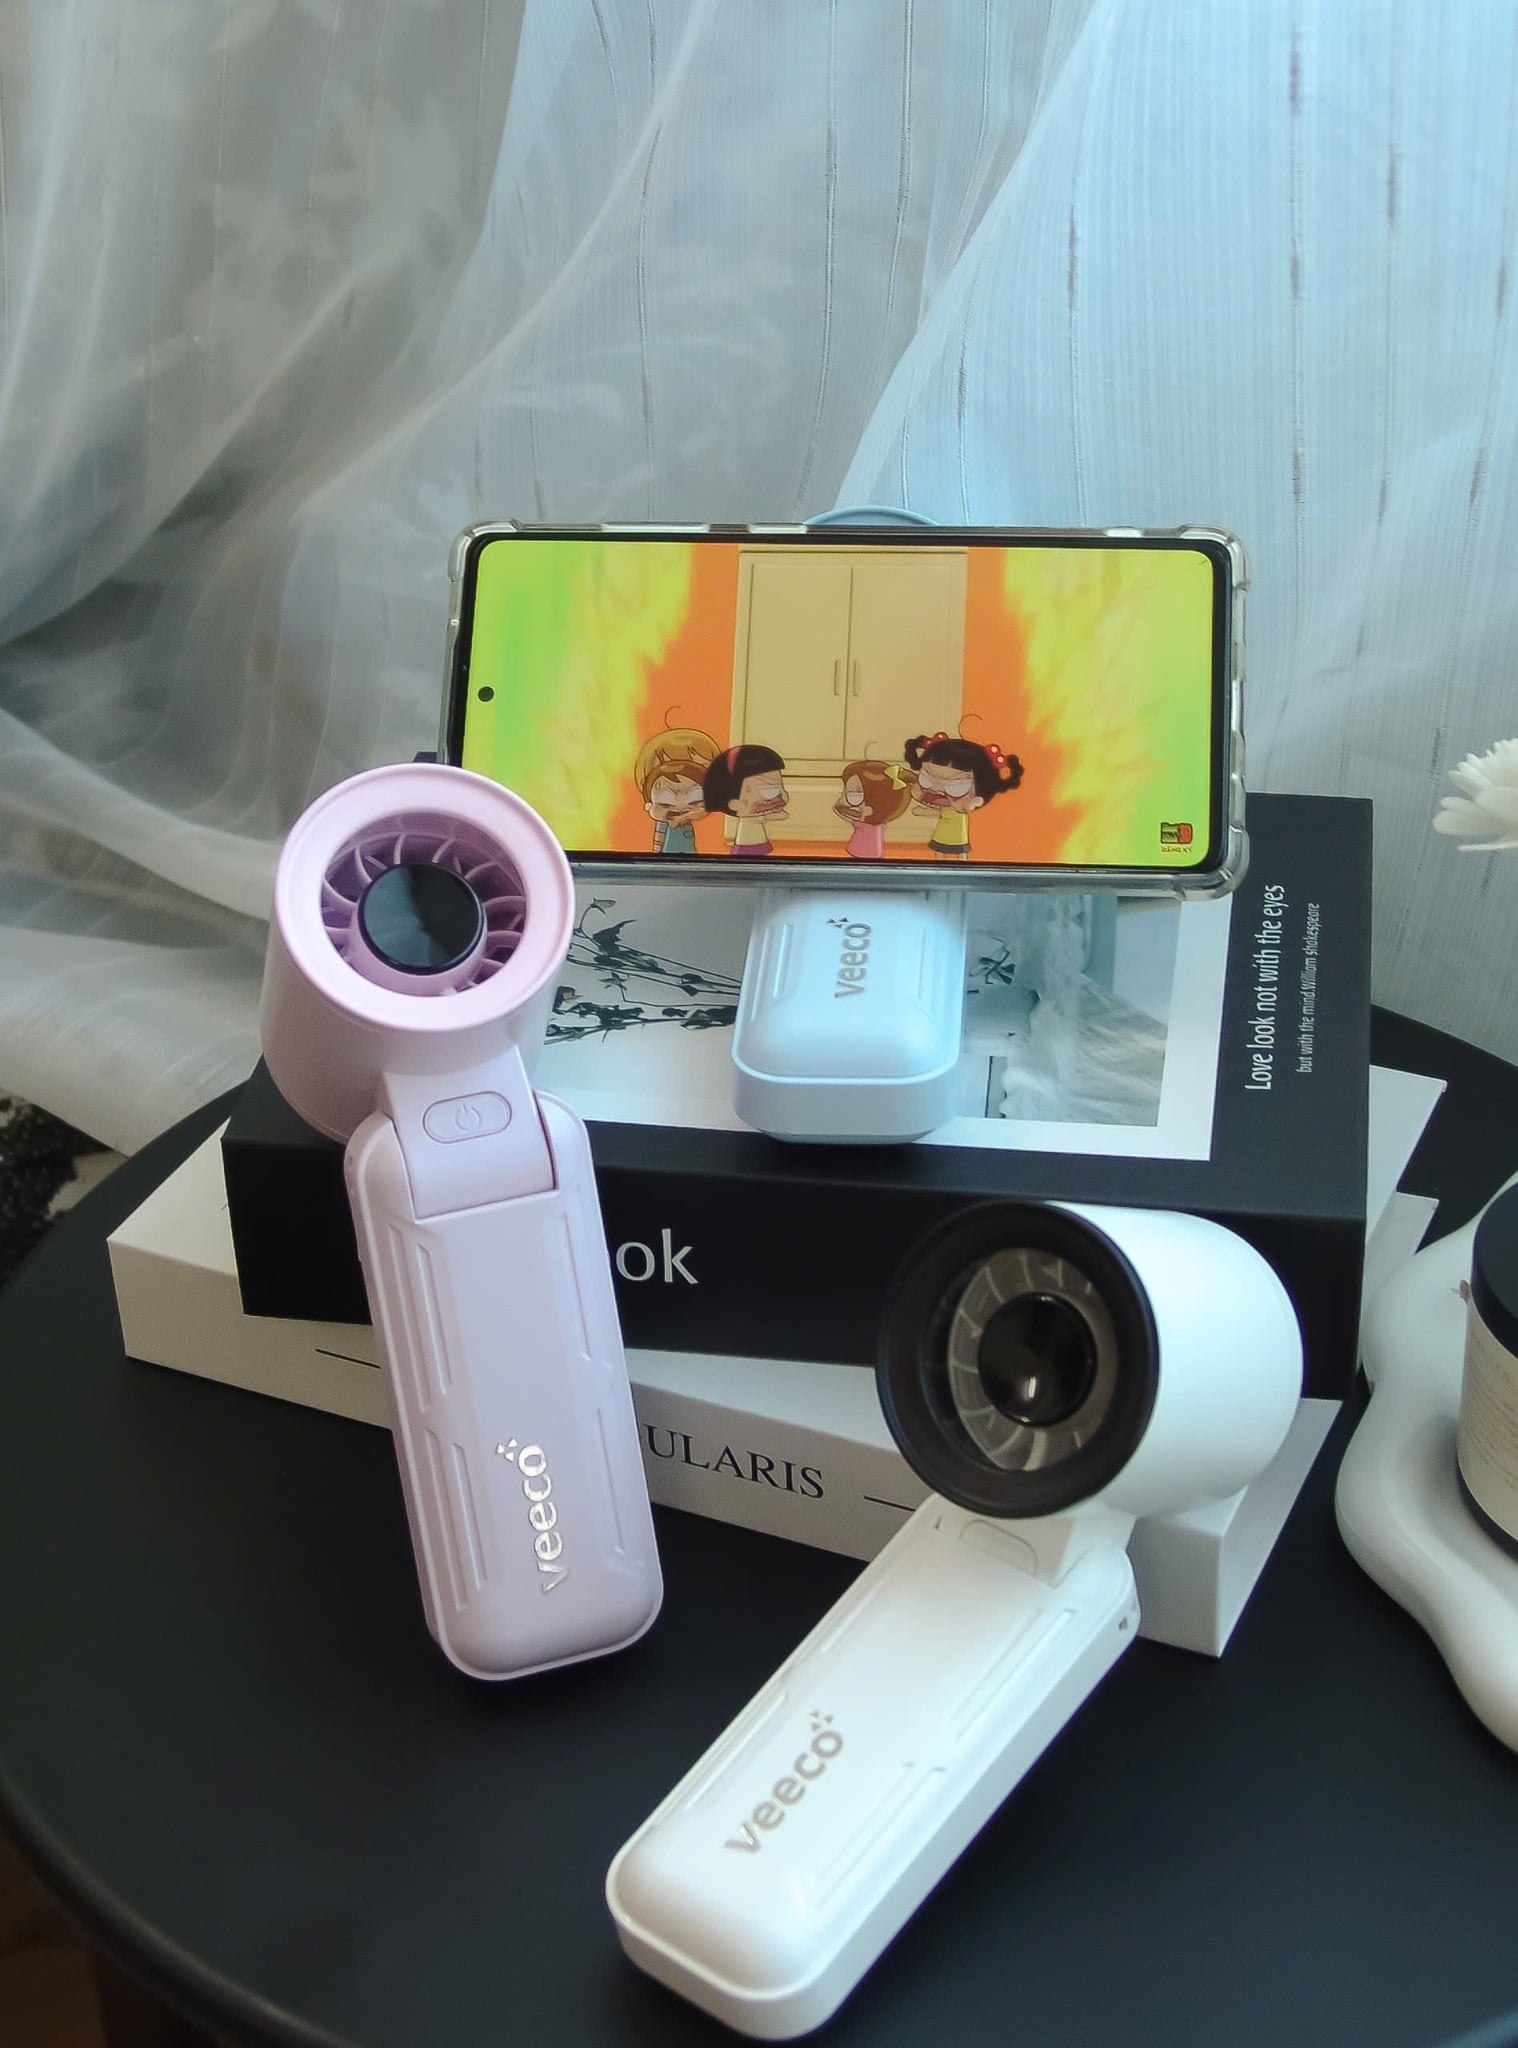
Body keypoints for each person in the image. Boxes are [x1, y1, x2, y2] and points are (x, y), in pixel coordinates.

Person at [903, 730, 1023, 859]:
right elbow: (941, 813)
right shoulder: (945, 804)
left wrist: (975, 802)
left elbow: (964, 807)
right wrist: (922, 809)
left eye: (955, 787)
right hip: (941, 834)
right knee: (939, 853)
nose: (938, 790)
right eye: (926, 778)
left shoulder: (965, 806)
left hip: (959, 837)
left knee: (961, 855)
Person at [633, 726, 719, 854]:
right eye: (666, 800)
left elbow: (704, 810)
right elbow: (656, 813)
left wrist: (683, 817)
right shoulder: (661, 817)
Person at [701, 744, 788, 856]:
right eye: (768, 791)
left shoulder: (760, 817)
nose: (781, 796)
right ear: (734, 803)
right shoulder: (751, 823)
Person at [832, 759, 914, 859]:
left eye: (855, 794)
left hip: (867, 849)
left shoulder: (869, 821)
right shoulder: (861, 816)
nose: (844, 797)